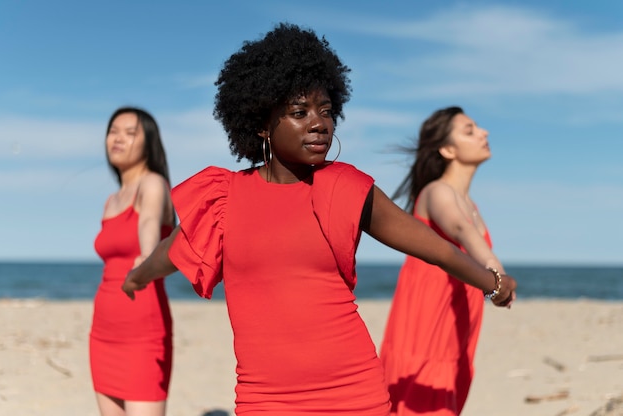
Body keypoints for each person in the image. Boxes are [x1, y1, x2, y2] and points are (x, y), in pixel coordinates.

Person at [122, 24, 516, 416]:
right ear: (261, 122)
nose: (319, 123)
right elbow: (170, 254)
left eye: (326, 111)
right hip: (265, 398)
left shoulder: (345, 187)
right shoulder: (223, 198)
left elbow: (439, 251)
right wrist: (137, 277)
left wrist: (495, 283)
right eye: (299, 112)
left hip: (354, 392)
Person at [379, 106, 513, 416]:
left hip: (457, 332)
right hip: (427, 331)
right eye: (469, 130)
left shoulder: (470, 202)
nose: (484, 133)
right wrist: (499, 277)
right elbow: (462, 231)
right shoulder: (437, 192)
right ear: (447, 149)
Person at [90, 107, 175, 416]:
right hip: (103, 331)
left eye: (130, 133)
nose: (118, 138)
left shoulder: (152, 184)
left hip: (143, 330)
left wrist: (146, 257)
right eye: (113, 131)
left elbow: (149, 223)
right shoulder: (111, 200)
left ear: (148, 142)